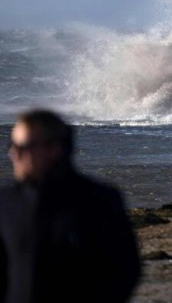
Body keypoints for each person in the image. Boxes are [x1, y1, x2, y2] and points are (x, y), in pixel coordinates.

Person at [0, 110, 141, 303]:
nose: (14, 155)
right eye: (12, 146)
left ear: (53, 149)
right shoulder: (6, 202)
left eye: (24, 147)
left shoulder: (96, 199)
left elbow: (125, 269)